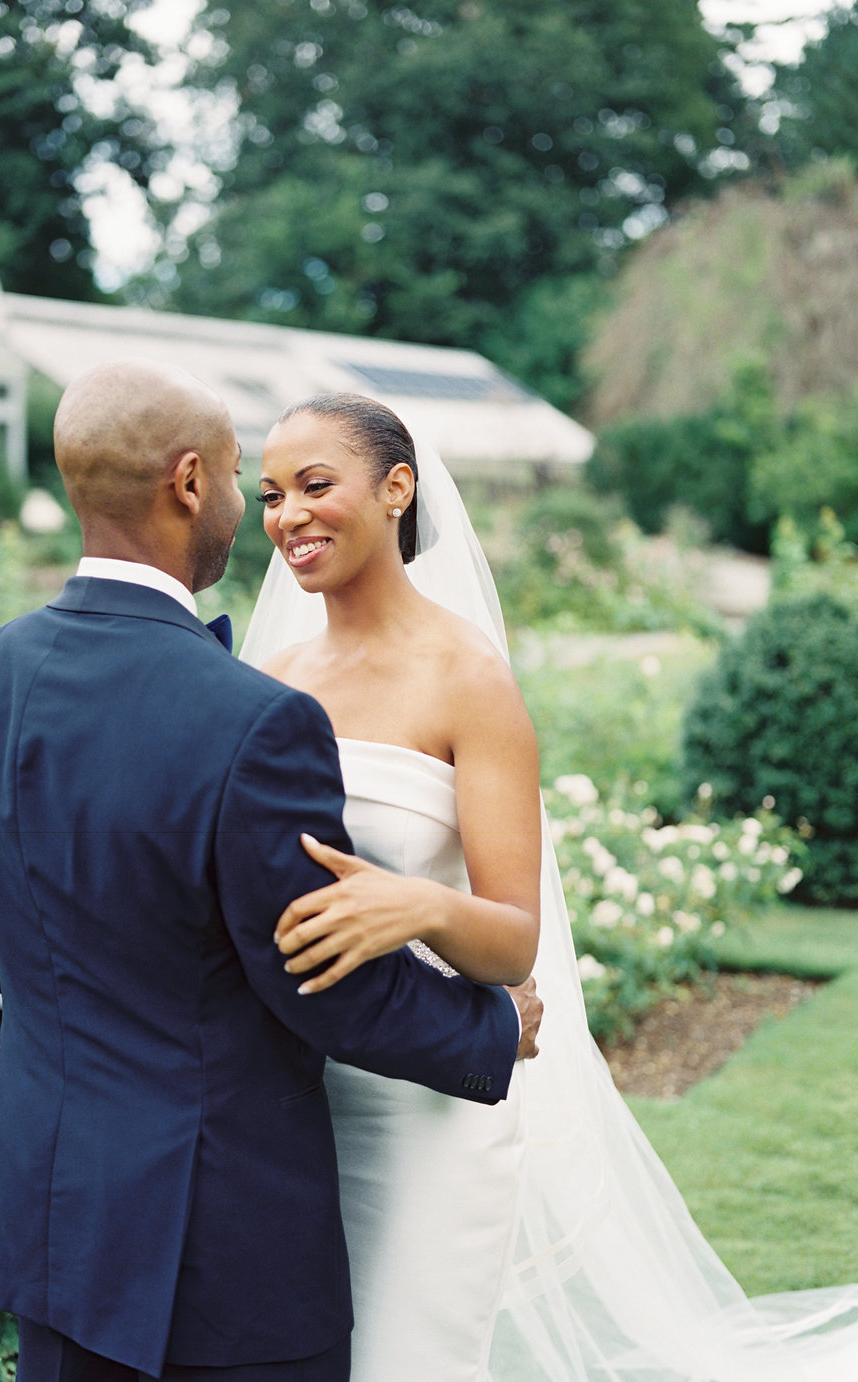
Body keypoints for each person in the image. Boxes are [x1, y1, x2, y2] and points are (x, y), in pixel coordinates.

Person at [0, 361, 543, 1382]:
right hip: (221, 1230)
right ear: (191, 481)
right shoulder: (254, 714)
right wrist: (495, 1025)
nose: (270, 512)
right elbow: (313, 975)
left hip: (51, 1210)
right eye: (256, 480)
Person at [241, 391, 858, 1382]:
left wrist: (422, 906)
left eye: (316, 485)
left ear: (397, 488)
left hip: (431, 1108)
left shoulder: (466, 677)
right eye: (269, 494)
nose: (287, 515)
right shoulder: (272, 679)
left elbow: (514, 942)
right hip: (297, 1098)